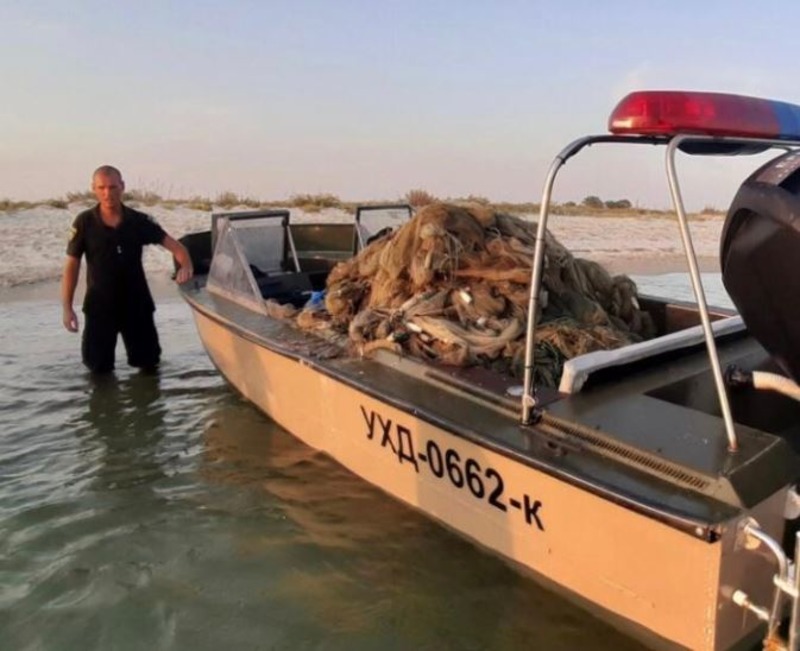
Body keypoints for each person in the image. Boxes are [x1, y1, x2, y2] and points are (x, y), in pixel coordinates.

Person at [61, 165, 194, 374]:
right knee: (99, 373)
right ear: (93, 189)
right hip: (100, 307)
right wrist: (67, 308)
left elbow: (178, 248)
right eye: (101, 188)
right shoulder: (84, 223)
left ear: (122, 187)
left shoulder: (138, 221)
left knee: (149, 369)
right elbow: (72, 266)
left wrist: (185, 267)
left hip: (137, 305)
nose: (108, 193)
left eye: (113, 187)